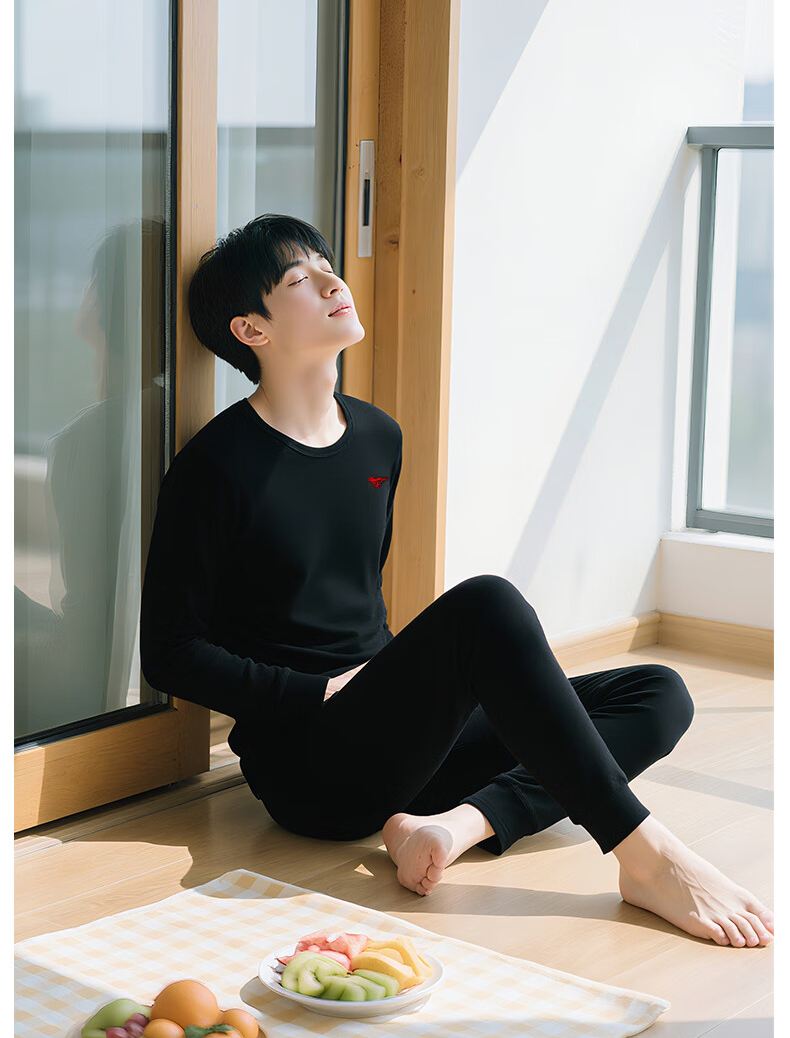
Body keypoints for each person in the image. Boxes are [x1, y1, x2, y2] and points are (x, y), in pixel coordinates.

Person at [140, 213, 773, 949]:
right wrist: (317, 690)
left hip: (401, 743)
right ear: (252, 330)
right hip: (314, 767)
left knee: (658, 692)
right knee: (486, 605)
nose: (332, 280)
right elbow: (170, 653)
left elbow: (355, 602)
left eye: (326, 264)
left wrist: (399, 691)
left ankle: (453, 826)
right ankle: (647, 855)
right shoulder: (215, 467)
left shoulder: (377, 436)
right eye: (300, 279)